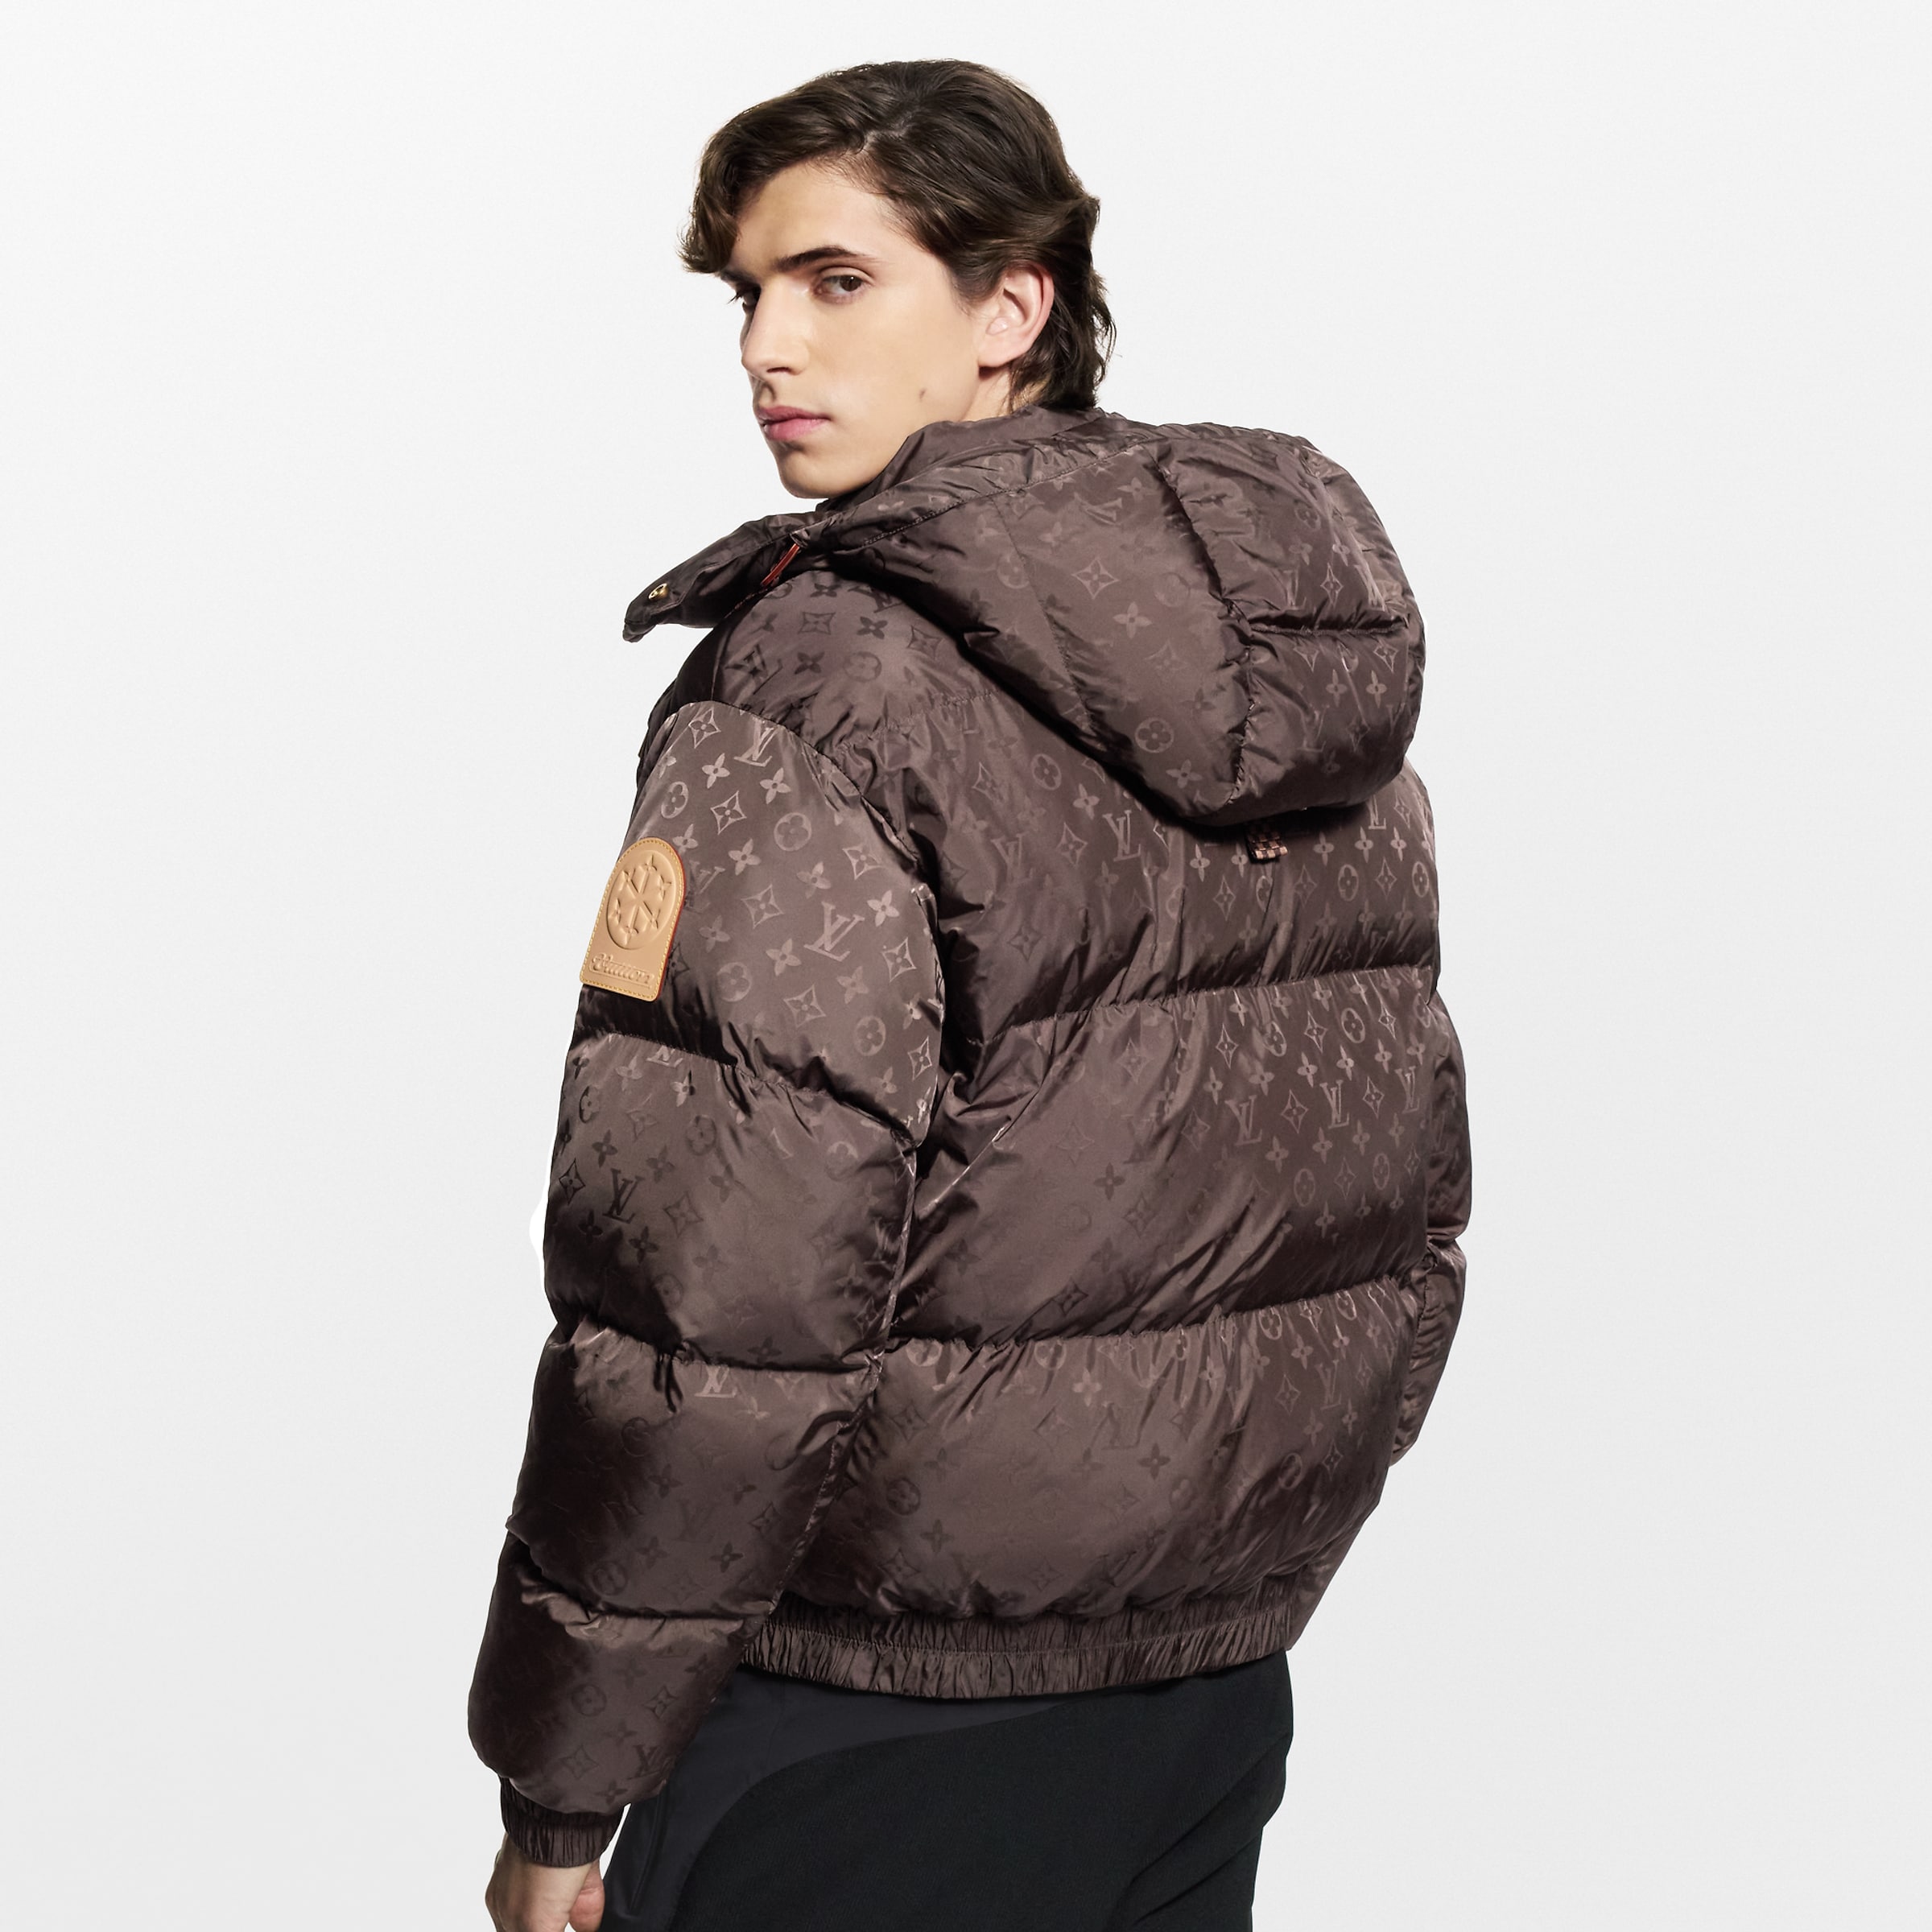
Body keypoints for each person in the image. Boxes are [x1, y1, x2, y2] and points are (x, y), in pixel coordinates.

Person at [471, 57, 1470, 1932]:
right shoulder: (1297, 670)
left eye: (838, 282)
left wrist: (561, 1793)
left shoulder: (819, 685)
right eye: (748, 294)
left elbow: (705, 1301)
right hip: (1201, 1702)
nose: (767, 346)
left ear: (1014, 307)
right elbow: (1385, 1187)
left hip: (858, 1731)